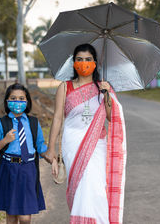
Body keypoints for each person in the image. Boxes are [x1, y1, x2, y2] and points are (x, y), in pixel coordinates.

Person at [46, 44, 126, 224]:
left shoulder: (103, 87)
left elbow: (112, 118)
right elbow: (57, 118)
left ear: (95, 63)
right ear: (74, 63)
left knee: (96, 187)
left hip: (98, 144)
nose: (84, 63)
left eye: (88, 59)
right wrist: (51, 149)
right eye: (79, 60)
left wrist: (107, 94)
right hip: (72, 143)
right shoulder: (64, 87)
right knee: (81, 186)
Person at [0, 83, 48, 224]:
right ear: (7, 101)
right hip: (9, 170)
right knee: (12, 216)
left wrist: (53, 159)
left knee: (25, 218)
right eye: (13, 98)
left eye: (21, 98)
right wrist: (5, 140)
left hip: (28, 169)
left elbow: (40, 146)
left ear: (27, 101)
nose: (17, 102)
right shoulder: (1, 123)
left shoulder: (33, 122)